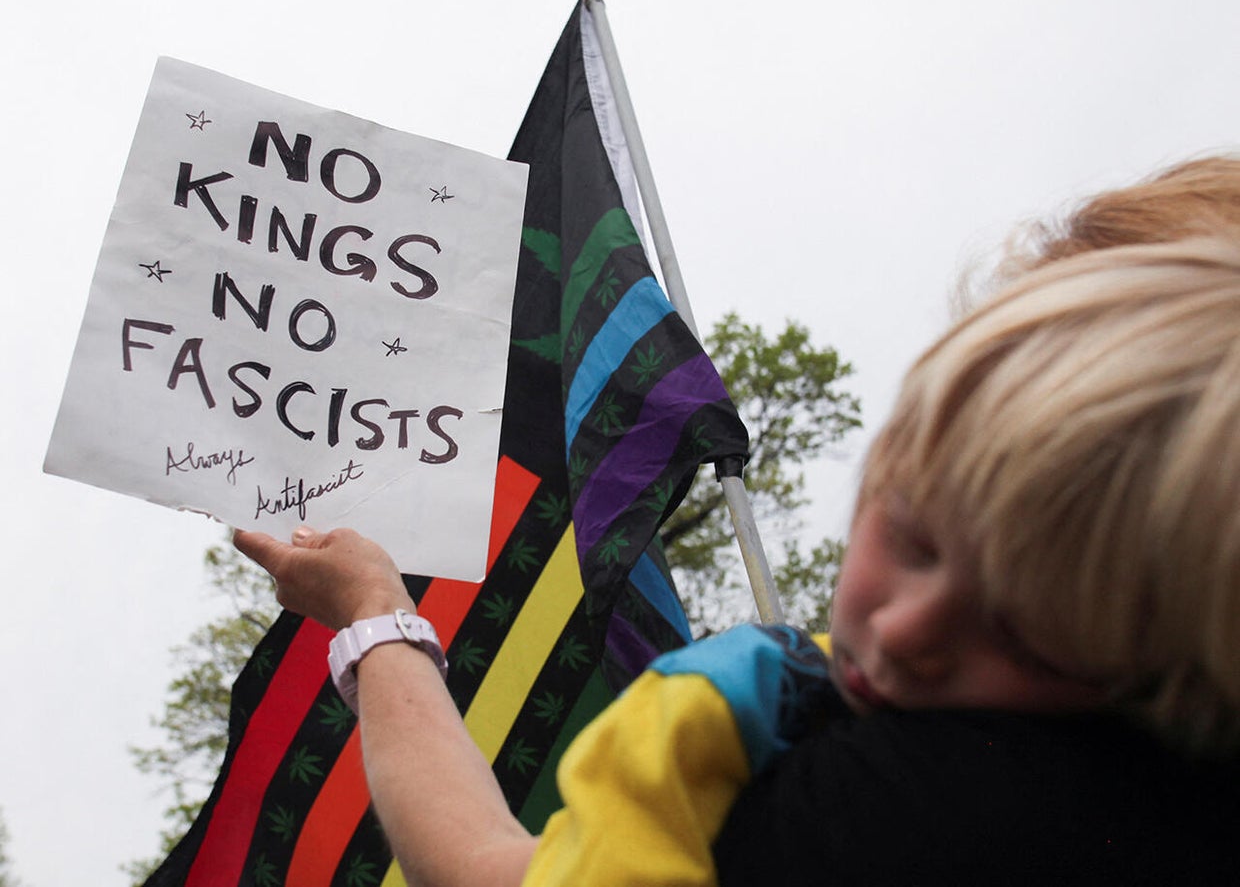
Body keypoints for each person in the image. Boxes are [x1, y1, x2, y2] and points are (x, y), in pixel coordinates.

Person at [234, 156, 1240, 885]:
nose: (901, 630)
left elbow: (486, 873)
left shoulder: (875, 803)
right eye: (914, 533)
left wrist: (373, 613)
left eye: (1024, 631)